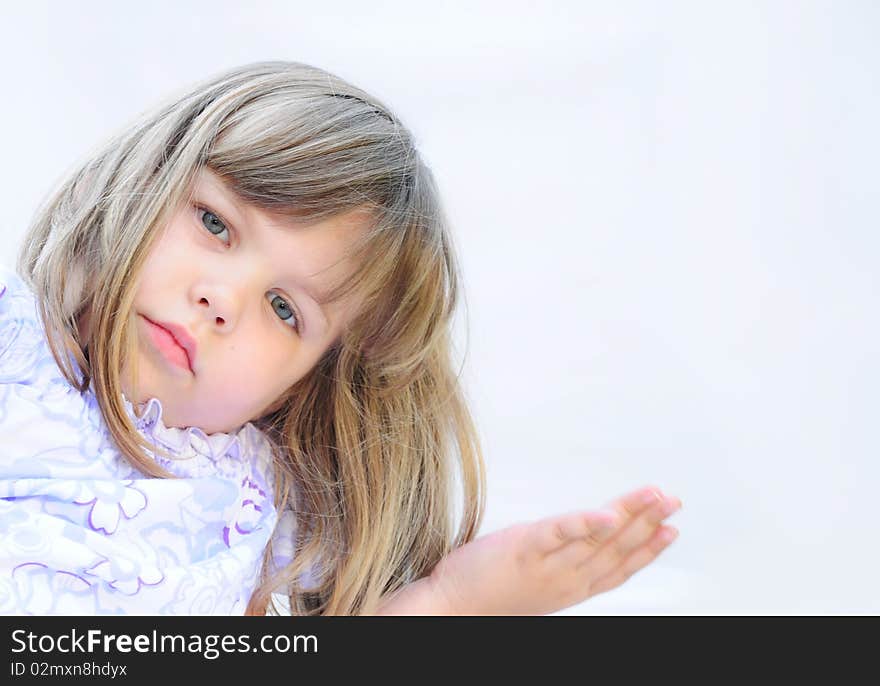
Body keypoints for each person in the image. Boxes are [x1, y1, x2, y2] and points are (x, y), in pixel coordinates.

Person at [0, 61, 681, 616]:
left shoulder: (253, 505)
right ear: (143, 180)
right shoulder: (14, 342)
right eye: (215, 224)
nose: (221, 300)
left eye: (284, 309)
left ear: (300, 386)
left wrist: (455, 601)